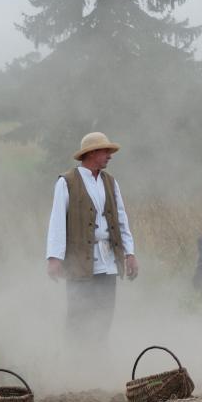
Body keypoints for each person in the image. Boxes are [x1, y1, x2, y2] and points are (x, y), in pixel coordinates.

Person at [46, 132, 138, 346]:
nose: (109, 156)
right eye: (106, 151)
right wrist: (54, 258)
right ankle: (76, 367)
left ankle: (98, 364)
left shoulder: (110, 183)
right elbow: (57, 221)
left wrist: (130, 254)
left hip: (108, 261)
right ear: (92, 153)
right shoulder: (66, 182)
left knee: (104, 316)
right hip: (80, 261)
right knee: (79, 317)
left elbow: (121, 219)